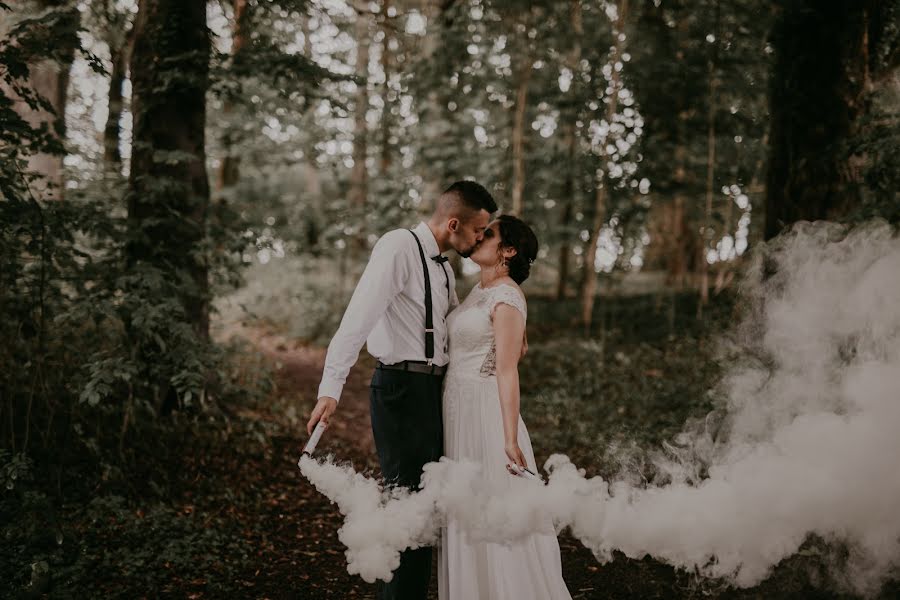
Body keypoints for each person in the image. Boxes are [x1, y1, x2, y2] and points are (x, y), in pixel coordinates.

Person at [307, 180, 497, 600]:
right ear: (453, 223)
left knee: (428, 510)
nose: (481, 238)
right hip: (400, 389)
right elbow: (356, 320)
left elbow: (453, 335)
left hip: (434, 393)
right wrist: (330, 388)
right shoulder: (397, 247)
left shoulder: (445, 268)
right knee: (408, 509)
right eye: (479, 231)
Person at [438, 215, 572, 600]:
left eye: (489, 234)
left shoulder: (507, 296)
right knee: (466, 514)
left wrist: (509, 438)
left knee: (491, 515)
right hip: (455, 411)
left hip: (485, 415)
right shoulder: (479, 291)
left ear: (509, 251)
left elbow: (508, 371)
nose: (479, 236)